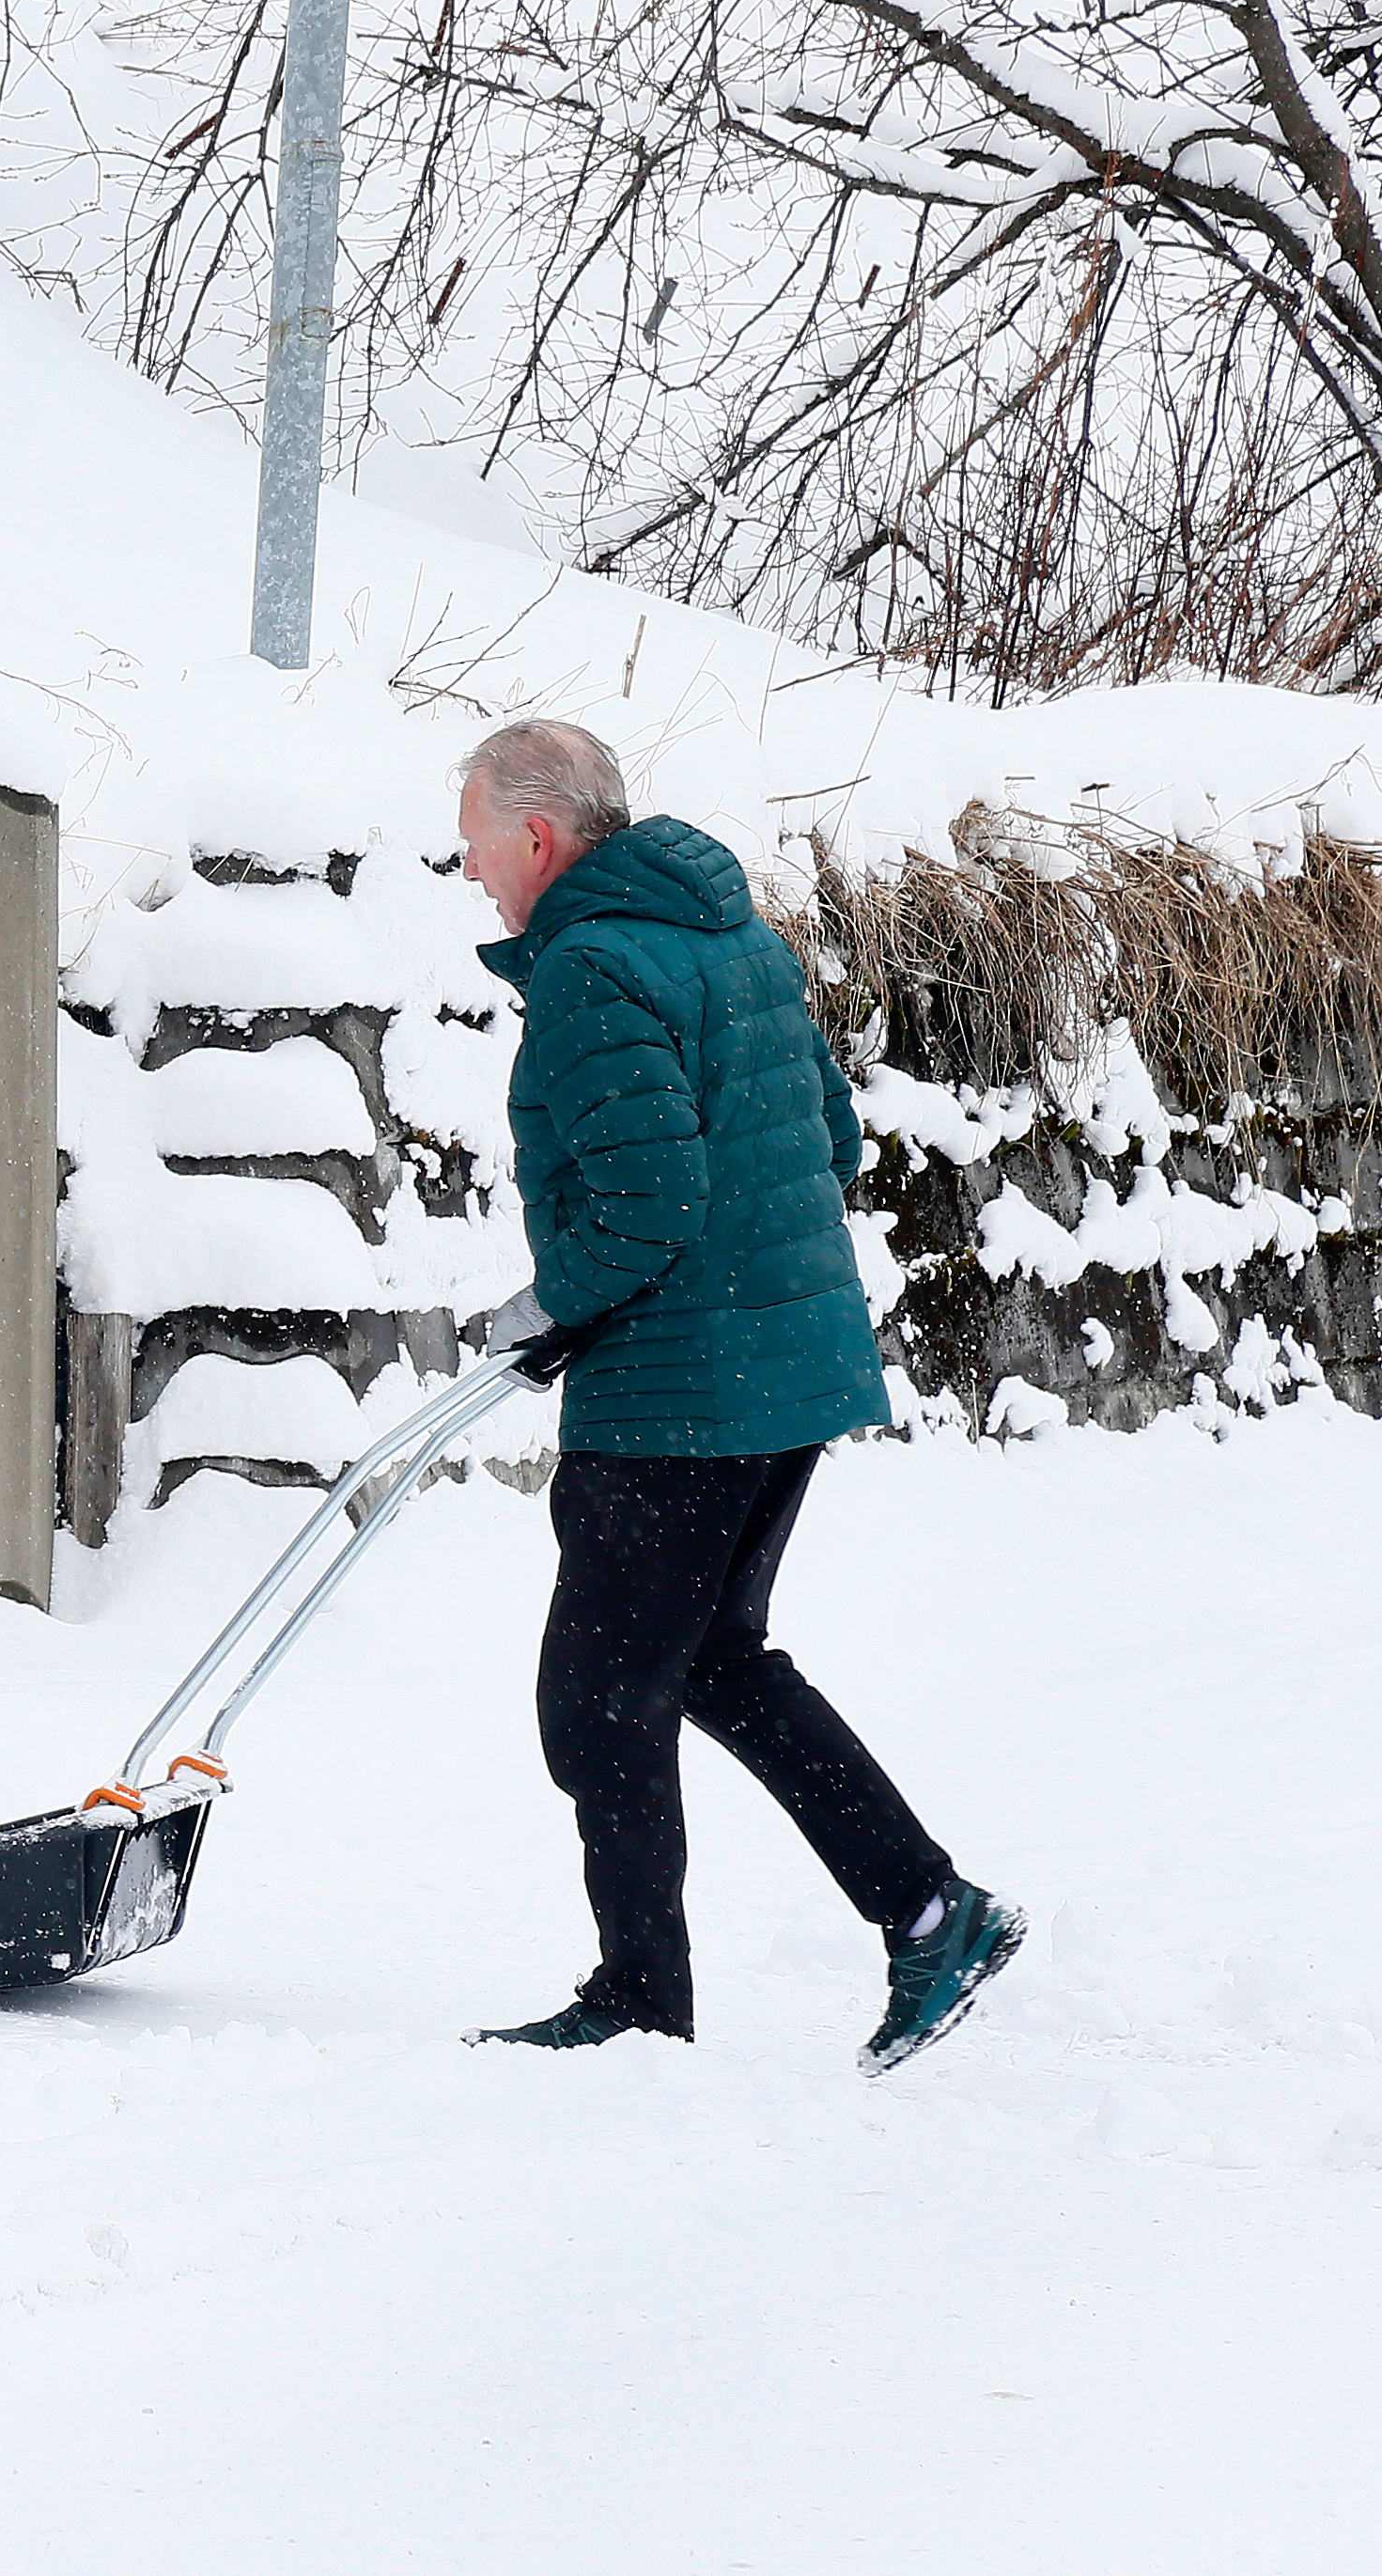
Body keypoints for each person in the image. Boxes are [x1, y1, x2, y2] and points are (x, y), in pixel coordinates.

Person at [456, 718, 1018, 2073]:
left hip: (680, 1403)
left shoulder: (591, 965)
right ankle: (931, 1911)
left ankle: (640, 2003)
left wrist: (551, 1304)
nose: (468, 869)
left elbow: (650, 1203)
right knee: (709, 1662)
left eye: (472, 841)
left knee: (599, 1700)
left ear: (536, 835)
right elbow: (831, 1136)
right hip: (783, 1375)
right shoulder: (734, 941)